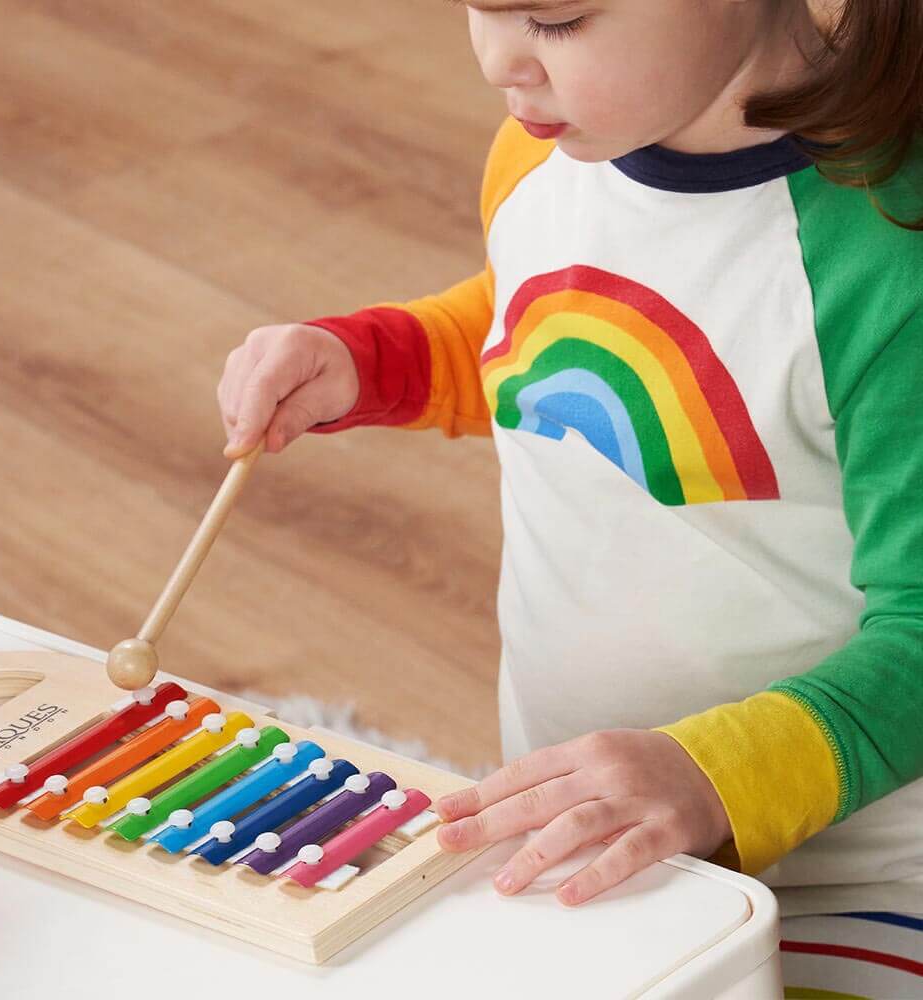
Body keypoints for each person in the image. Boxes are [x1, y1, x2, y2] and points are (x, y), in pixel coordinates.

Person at [217, 1, 922, 993]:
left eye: (556, 19)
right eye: (479, 7)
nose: (500, 61)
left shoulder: (889, 256)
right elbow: (548, 343)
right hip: (599, 849)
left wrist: (712, 776)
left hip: (851, 883)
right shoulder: (548, 151)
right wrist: (370, 360)